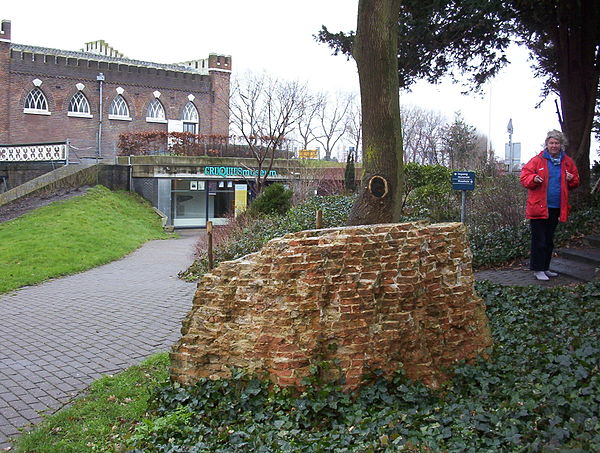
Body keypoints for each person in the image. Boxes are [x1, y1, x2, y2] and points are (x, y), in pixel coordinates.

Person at [520, 130, 580, 281]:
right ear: (546, 144)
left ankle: (545, 267)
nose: (554, 145)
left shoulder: (567, 162)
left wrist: (571, 179)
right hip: (538, 207)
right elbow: (524, 177)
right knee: (538, 240)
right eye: (551, 143)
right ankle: (537, 269)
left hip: (556, 207)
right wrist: (534, 178)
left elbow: (575, 181)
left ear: (561, 145)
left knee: (548, 240)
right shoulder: (537, 160)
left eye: (557, 143)